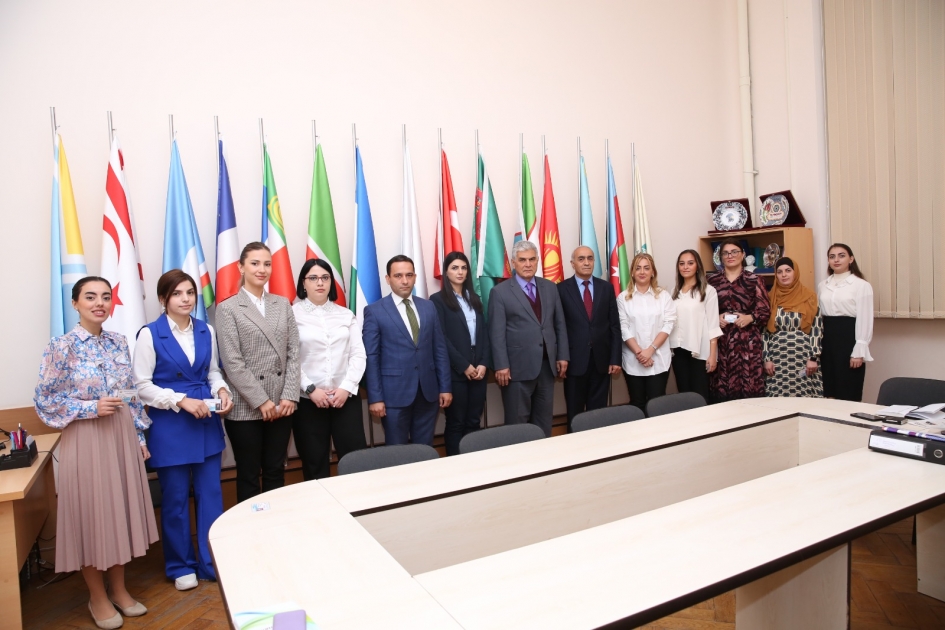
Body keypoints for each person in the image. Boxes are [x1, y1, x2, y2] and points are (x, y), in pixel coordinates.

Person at [34, 276, 158, 629]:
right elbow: (45, 401)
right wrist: (90, 408)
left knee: (118, 512)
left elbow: (129, 391)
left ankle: (118, 590)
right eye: (90, 297)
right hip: (86, 438)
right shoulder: (61, 347)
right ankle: (97, 597)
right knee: (91, 514)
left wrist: (139, 436)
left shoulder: (118, 342)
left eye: (105, 297)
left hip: (120, 436)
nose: (99, 303)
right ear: (75, 303)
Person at [133, 270, 232, 591]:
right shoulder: (150, 334)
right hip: (170, 424)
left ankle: (211, 561)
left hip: (205, 421)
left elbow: (212, 372)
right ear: (163, 299)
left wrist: (222, 391)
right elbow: (141, 386)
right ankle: (180, 565)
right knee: (175, 499)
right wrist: (180, 400)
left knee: (211, 495)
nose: (186, 299)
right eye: (177, 293)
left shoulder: (206, 330)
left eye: (190, 292)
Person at [216, 242, 300, 503]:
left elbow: (294, 352)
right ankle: (250, 525)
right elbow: (232, 362)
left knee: (276, 471)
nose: (261, 269)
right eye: (254, 263)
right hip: (246, 407)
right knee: (249, 474)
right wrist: (261, 401)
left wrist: (289, 395)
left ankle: (276, 523)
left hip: (281, 405)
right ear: (241, 267)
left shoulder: (282, 304)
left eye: (267, 264)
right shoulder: (228, 308)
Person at [363, 255, 452, 445]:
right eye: (398, 276)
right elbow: (372, 357)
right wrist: (375, 398)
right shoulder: (374, 311)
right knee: (397, 452)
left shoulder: (428, 307)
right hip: (393, 396)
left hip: (428, 393)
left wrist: (445, 387)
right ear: (388, 279)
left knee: (425, 448)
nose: (405, 281)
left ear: (415, 277)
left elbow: (439, 349)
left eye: (409, 275)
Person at [291, 259, 367, 479]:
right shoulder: (291, 314)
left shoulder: (345, 314)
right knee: (314, 464)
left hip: (345, 399)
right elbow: (290, 358)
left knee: (355, 462)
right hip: (308, 402)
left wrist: (346, 388)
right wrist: (311, 389)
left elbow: (358, 354)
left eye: (325, 277)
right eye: (313, 278)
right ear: (303, 283)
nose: (320, 283)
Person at [489, 240, 569, 437]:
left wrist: (562, 355)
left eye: (532, 259)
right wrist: (501, 365)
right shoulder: (499, 292)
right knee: (517, 424)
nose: (528, 264)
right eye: (522, 260)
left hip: (547, 367)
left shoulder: (550, 287)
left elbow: (559, 324)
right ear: (513, 263)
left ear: (538, 261)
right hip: (516, 369)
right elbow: (496, 333)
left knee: (544, 421)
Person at [430, 252, 491, 455]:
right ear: (446, 272)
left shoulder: (474, 298)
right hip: (455, 372)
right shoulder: (437, 300)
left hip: (479, 371)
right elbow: (441, 338)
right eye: (454, 268)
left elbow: (484, 334)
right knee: (456, 422)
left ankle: (473, 464)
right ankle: (456, 466)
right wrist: (464, 365)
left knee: (474, 421)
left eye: (463, 268)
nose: (460, 272)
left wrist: (484, 363)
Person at [557, 246, 621, 431]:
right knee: (575, 413)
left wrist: (615, 358)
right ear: (572, 263)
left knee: (598, 414)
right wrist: (561, 356)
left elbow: (614, 326)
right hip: (574, 362)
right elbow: (558, 327)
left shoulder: (606, 288)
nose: (586, 262)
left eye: (590, 258)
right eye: (581, 259)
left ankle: (598, 445)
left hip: (601, 362)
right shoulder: (561, 289)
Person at [708, 238, 771, 402]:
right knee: (722, 389)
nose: (730, 256)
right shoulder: (712, 281)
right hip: (721, 342)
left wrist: (750, 317)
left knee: (749, 389)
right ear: (721, 257)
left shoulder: (754, 280)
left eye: (734, 252)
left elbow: (765, 311)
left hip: (747, 343)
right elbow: (703, 312)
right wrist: (715, 318)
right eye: (726, 253)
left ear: (742, 255)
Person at [618, 253, 677, 412]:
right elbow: (623, 327)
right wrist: (640, 353)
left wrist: (650, 350)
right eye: (638, 268)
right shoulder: (623, 298)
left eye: (646, 268)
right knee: (637, 404)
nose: (642, 272)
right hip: (633, 360)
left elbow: (668, 324)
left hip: (658, 359)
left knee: (657, 404)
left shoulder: (664, 296)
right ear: (632, 272)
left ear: (653, 272)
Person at [818, 243, 873, 401]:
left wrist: (859, 351)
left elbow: (865, 318)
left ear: (851, 259)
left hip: (849, 339)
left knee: (848, 388)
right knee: (829, 389)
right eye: (832, 257)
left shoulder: (861, 285)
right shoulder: (823, 285)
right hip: (827, 340)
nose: (836, 260)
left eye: (841, 256)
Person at [763, 258, 824, 397]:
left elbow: (816, 329)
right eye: (779, 272)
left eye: (788, 270)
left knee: (803, 395)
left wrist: (813, 358)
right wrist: (766, 359)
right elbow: (764, 332)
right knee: (777, 397)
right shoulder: (770, 298)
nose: (784, 275)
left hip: (803, 356)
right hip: (777, 357)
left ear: (795, 272)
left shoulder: (809, 297)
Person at [669, 250, 722, 402]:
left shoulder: (708, 291)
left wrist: (713, 355)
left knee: (699, 395)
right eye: (682, 263)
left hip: (698, 351)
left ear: (697, 266)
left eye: (690, 263)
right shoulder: (674, 291)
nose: (685, 267)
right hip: (678, 350)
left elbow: (713, 324)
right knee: (684, 394)